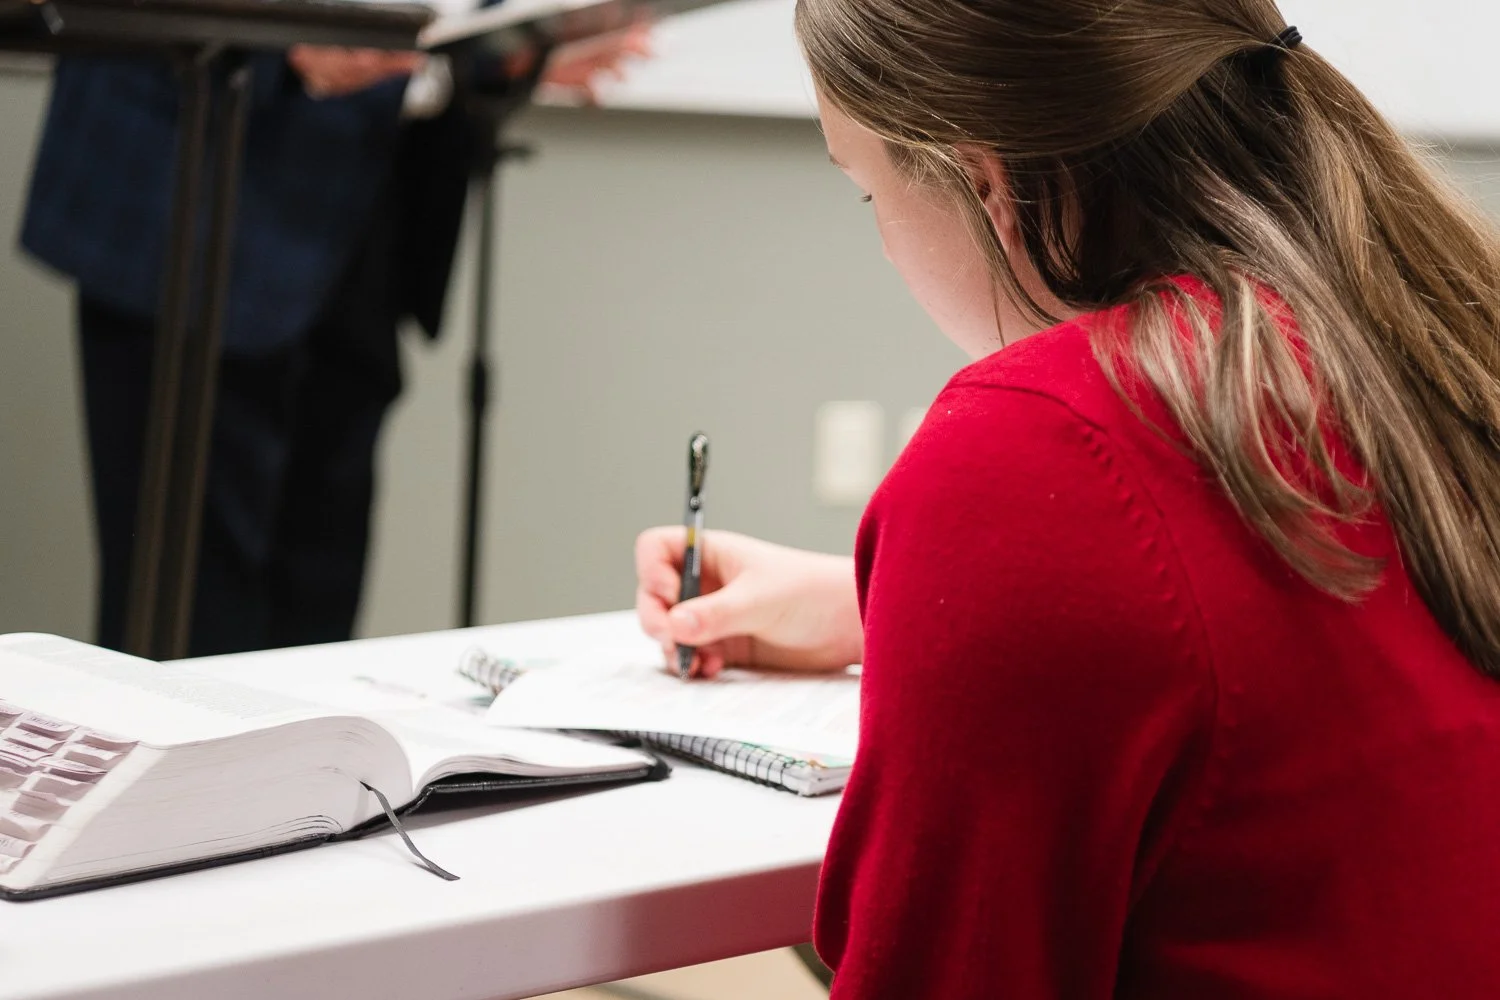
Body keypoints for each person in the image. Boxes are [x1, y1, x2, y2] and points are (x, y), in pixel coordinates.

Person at [635, 1, 1500, 996]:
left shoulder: (1044, 443)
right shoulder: (1422, 332)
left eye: (865, 193)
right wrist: (868, 605)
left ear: (982, 176)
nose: (880, 243)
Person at [20, 30, 646, 656]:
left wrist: (507, 45)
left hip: (367, 205)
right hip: (194, 175)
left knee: (316, 609)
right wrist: (281, 36)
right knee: (191, 622)